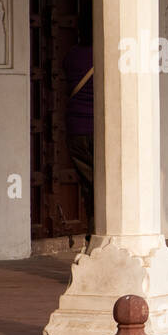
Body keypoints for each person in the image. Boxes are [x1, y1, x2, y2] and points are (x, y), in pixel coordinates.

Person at [64, 44, 94, 224]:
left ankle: (92, 234)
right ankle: (100, 234)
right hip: (100, 131)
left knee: (89, 186)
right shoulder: (109, 55)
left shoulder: (71, 56)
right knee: (108, 188)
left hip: (75, 130)